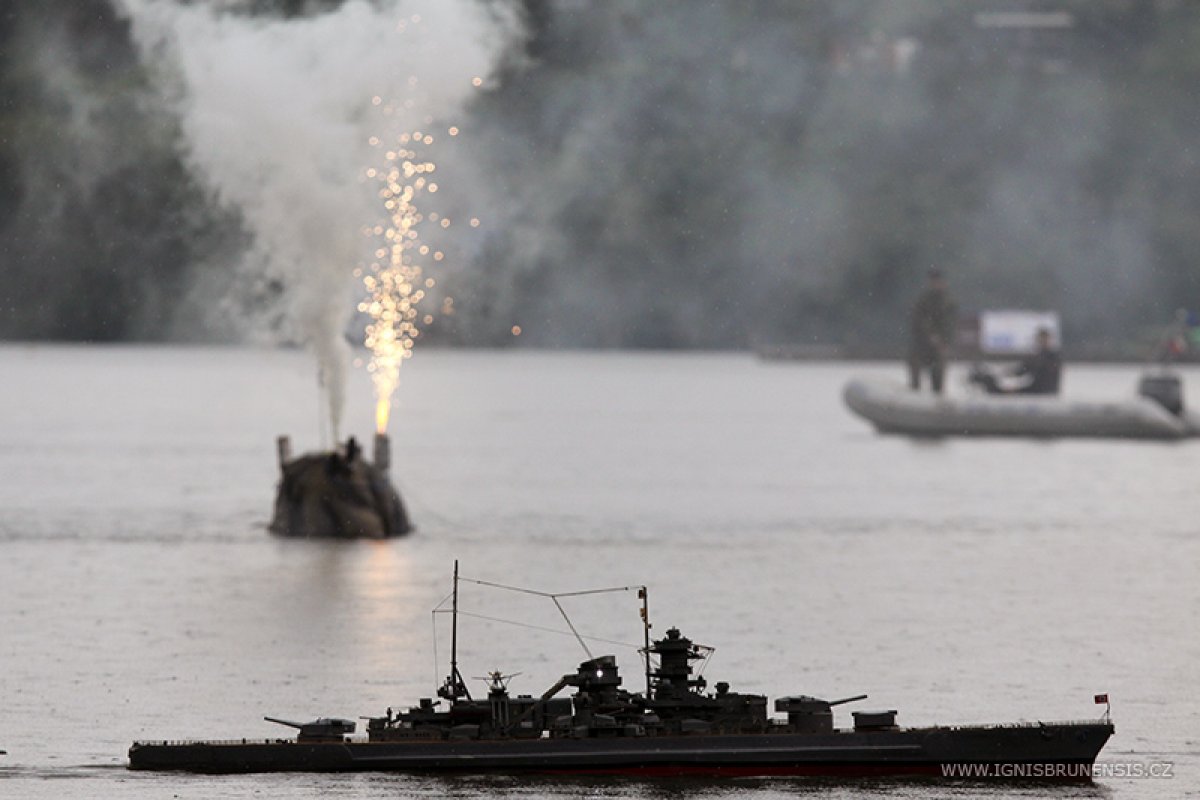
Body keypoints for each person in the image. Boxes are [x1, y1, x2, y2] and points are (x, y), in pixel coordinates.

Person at [970, 327, 1061, 395]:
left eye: (1044, 339)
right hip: (1038, 390)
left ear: (1049, 340)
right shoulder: (1041, 356)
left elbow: (1029, 370)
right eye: (1040, 339)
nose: (1041, 342)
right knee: (1000, 390)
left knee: (1001, 391)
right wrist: (1005, 372)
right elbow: (1023, 369)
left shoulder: (1050, 357)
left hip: (1043, 392)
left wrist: (1009, 374)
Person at [907, 269, 957, 393]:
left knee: (938, 372)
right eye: (933, 281)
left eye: (937, 281)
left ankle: (937, 394)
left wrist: (944, 340)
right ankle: (915, 392)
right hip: (923, 341)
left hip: (941, 342)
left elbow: (951, 323)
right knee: (915, 364)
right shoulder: (923, 300)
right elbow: (919, 320)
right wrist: (930, 334)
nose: (935, 284)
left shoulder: (948, 301)